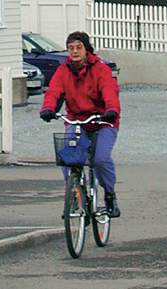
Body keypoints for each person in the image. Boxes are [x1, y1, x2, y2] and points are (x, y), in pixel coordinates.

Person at [39, 30, 121, 218]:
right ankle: (74, 194)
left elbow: (110, 91)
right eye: (71, 48)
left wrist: (111, 110)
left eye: (78, 47)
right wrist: (48, 108)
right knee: (67, 155)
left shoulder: (101, 70)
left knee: (100, 159)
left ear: (86, 49)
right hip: (77, 121)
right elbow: (54, 91)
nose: (75, 51)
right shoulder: (63, 70)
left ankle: (110, 196)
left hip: (103, 120)